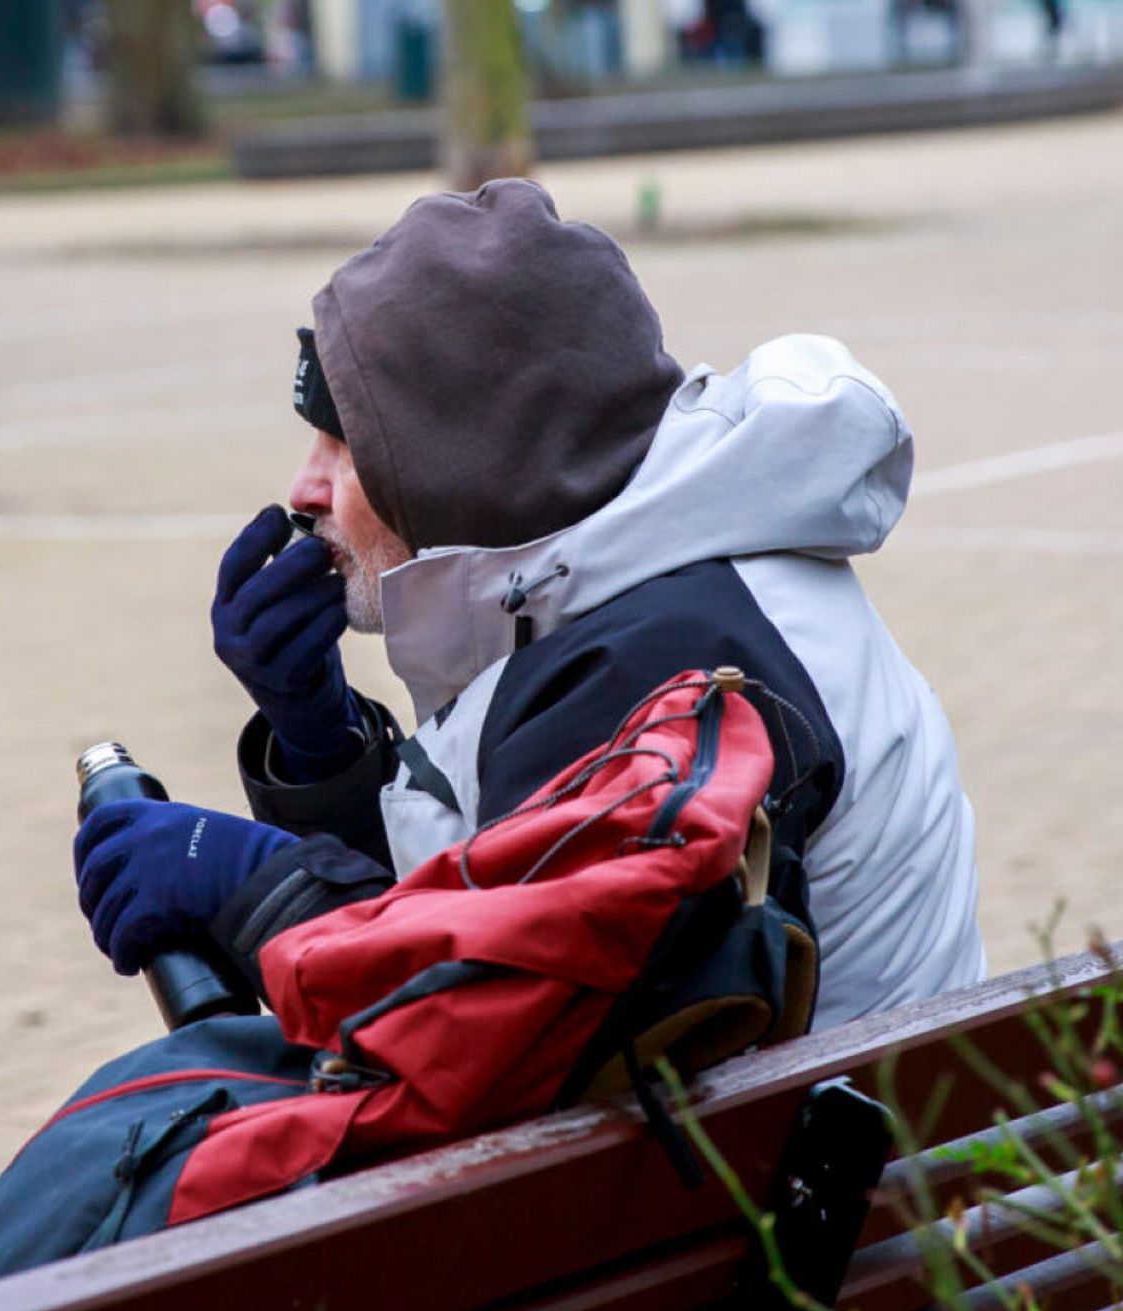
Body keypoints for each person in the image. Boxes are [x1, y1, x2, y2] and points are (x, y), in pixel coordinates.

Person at [75, 178, 985, 1034]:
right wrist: (324, 750)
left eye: (345, 448)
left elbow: (494, 1030)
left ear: (460, 461)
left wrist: (256, 884)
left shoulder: (653, 662)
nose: (304, 489)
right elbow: (504, 895)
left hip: (759, 1188)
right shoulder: (642, 582)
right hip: (828, 1152)